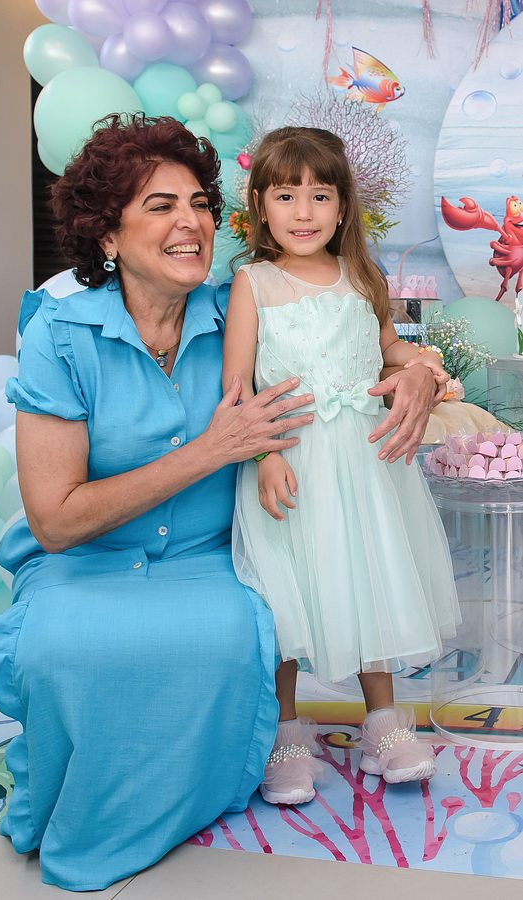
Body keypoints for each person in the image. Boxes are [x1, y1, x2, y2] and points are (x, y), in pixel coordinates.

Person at [0, 114, 442, 890]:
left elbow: (361, 340)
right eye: (160, 206)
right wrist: (215, 449)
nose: (190, 222)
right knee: (70, 647)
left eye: (197, 203)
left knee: (235, 632)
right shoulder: (61, 334)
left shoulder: (237, 301)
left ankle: (196, 789)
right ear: (107, 233)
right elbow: (55, 521)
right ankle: (86, 807)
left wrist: (422, 372)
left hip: (207, 555)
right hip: (88, 558)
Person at [223, 126, 460, 807]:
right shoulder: (253, 284)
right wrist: (265, 454)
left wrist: (423, 365)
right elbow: (235, 390)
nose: (303, 213)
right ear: (259, 205)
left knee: (368, 580)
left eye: (319, 196)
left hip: (362, 459)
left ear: (343, 205)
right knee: (287, 593)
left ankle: (382, 723)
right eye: (285, 196)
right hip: (290, 461)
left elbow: (388, 349)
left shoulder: (363, 277)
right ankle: (286, 732)